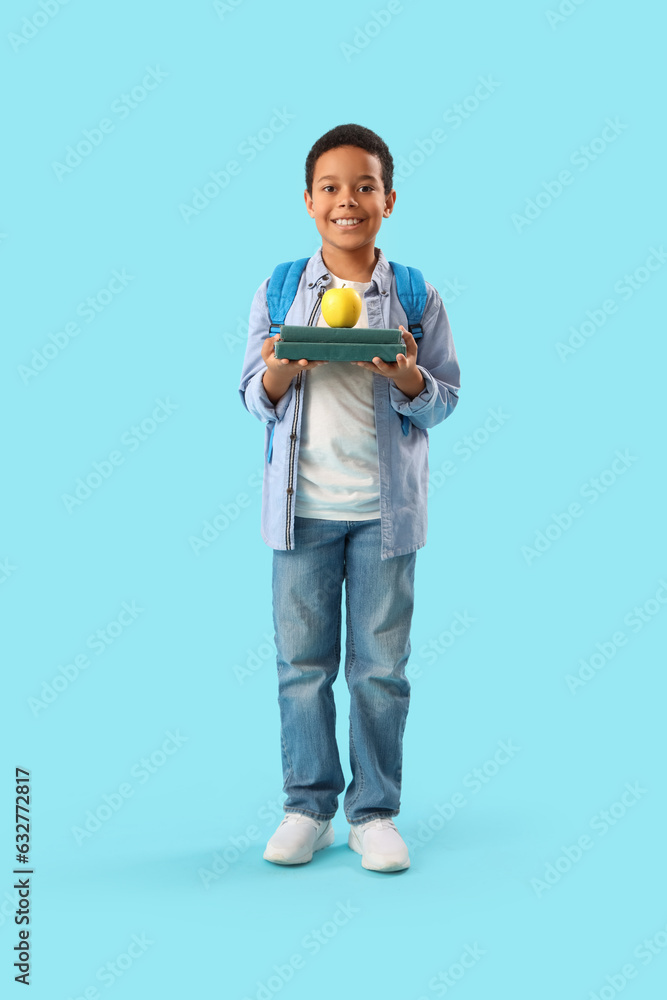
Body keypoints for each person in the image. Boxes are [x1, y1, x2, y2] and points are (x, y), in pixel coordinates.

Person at [238, 123, 461, 872]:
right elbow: (253, 396)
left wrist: (404, 376)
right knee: (300, 667)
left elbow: (442, 399)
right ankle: (307, 806)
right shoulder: (278, 289)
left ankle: (373, 813)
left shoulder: (412, 294)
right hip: (299, 512)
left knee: (379, 670)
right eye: (330, 187)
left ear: (388, 200)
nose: (347, 200)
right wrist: (283, 366)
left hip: (383, 517)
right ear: (307, 201)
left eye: (363, 186)